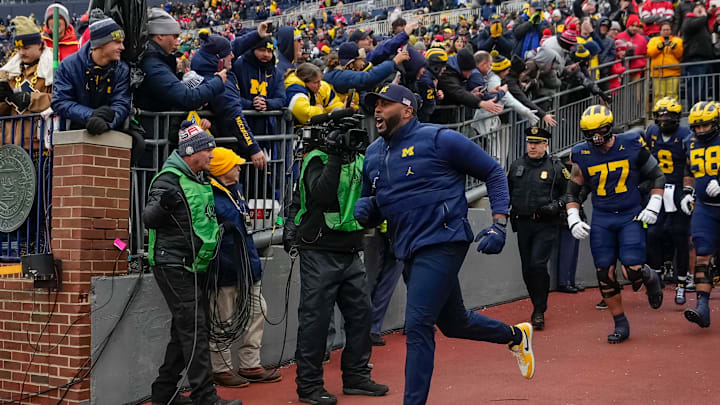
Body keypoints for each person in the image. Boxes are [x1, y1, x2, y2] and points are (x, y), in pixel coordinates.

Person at [356, 84, 535, 405]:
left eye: (385, 104)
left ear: (408, 109)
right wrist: (366, 211)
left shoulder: (440, 139)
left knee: (418, 326)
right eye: (375, 105)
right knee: (454, 323)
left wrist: (499, 222)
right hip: (407, 248)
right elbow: (373, 202)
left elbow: (493, 171)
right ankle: (516, 336)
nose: (377, 110)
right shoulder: (372, 154)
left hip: (444, 239)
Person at [291, 102, 389, 405]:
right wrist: (333, 154)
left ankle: (356, 376)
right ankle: (309, 387)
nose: (352, 140)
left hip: (350, 251)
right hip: (319, 250)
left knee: (361, 316)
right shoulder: (316, 159)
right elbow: (321, 195)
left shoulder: (360, 160)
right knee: (315, 321)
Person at [144, 121, 241, 405]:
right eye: (208, 150)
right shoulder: (168, 179)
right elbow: (149, 218)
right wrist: (163, 204)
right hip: (173, 265)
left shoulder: (198, 179)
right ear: (191, 152)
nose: (212, 155)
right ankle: (205, 398)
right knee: (195, 330)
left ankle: (163, 394)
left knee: (184, 330)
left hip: (192, 266)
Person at [566, 105, 666, 344]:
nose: (595, 137)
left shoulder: (631, 143)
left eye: (599, 130)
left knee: (632, 269)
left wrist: (653, 205)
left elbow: (658, 176)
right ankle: (620, 323)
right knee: (605, 273)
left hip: (629, 214)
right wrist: (573, 218)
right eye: (589, 132)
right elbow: (573, 192)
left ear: (609, 126)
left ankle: (649, 277)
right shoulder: (581, 153)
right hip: (602, 217)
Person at [207, 147, 282, 386]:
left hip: (248, 268)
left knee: (258, 312)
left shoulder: (236, 190)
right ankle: (221, 368)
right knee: (222, 321)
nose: (240, 167)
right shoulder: (209, 195)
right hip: (224, 272)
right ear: (221, 169)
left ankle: (250, 364)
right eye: (234, 164)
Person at [508, 126, 569, 330]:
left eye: (537, 143)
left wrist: (557, 206)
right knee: (527, 268)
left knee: (537, 264)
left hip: (545, 223)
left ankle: (539, 309)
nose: (532, 146)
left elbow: (569, 193)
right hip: (523, 223)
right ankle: (537, 303)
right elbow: (507, 191)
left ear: (546, 144)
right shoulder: (516, 166)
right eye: (529, 142)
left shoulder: (556, 167)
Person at [190, 30, 267, 169]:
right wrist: (253, 148)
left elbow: (235, 46)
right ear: (219, 59)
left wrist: (257, 34)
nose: (232, 55)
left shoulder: (209, 66)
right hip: (225, 149)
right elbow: (235, 116)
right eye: (228, 54)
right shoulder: (219, 83)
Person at [643, 97, 692, 305]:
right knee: (653, 231)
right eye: (660, 114)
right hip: (658, 187)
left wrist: (689, 191)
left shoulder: (685, 136)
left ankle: (681, 283)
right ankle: (657, 274)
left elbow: (690, 166)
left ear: (676, 116)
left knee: (680, 235)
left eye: (667, 115)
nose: (663, 118)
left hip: (679, 188)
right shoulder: (651, 133)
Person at [135, 8, 225, 112]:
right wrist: (218, 81)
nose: (178, 43)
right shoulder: (153, 64)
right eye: (175, 36)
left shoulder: (154, 60)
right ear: (160, 35)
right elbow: (187, 99)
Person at [52, 15, 130, 134]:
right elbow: (60, 102)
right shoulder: (68, 66)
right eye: (118, 42)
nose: (122, 47)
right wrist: (91, 115)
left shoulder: (122, 69)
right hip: (75, 131)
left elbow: (122, 104)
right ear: (102, 44)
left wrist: (107, 122)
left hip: (111, 131)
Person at [681, 101, 720, 328]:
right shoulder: (690, 142)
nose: (701, 131)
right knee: (702, 254)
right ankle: (702, 307)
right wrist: (688, 191)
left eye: (705, 126)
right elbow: (689, 168)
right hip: (705, 206)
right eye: (697, 127)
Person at [0, 16, 53, 148]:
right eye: (18, 49)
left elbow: (60, 101)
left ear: (40, 45)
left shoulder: (52, 70)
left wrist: (31, 99)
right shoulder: (10, 73)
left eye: (26, 48)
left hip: (36, 147)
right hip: (7, 145)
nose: (21, 53)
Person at [231, 22, 286, 136]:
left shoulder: (276, 73)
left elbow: (281, 98)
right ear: (253, 50)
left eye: (269, 51)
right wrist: (251, 105)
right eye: (261, 50)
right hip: (239, 127)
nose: (266, 54)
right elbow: (230, 96)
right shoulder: (238, 66)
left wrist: (267, 104)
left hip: (265, 131)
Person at [323, 42, 406, 108]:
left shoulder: (335, 73)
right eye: (360, 60)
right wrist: (394, 62)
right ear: (351, 63)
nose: (362, 63)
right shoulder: (340, 76)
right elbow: (367, 78)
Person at [646, 22, 683, 105]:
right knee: (658, 95)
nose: (666, 31)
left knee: (672, 94)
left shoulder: (678, 41)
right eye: (664, 30)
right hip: (657, 73)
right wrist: (659, 47)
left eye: (668, 29)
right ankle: (658, 112)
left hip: (673, 73)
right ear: (660, 31)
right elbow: (649, 53)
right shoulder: (654, 40)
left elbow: (680, 55)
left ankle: (673, 111)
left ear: (671, 31)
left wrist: (674, 47)